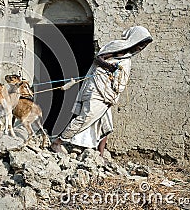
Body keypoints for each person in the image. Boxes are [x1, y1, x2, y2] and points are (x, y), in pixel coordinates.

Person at [51, 26, 153, 156]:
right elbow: (99, 59)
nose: (141, 48)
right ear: (135, 39)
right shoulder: (117, 46)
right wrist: (109, 67)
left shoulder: (127, 58)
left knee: (106, 123)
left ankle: (100, 153)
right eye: (141, 44)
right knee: (86, 118)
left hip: (108, 94)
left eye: (143, 46)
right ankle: (58, 142)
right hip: (96, 90)